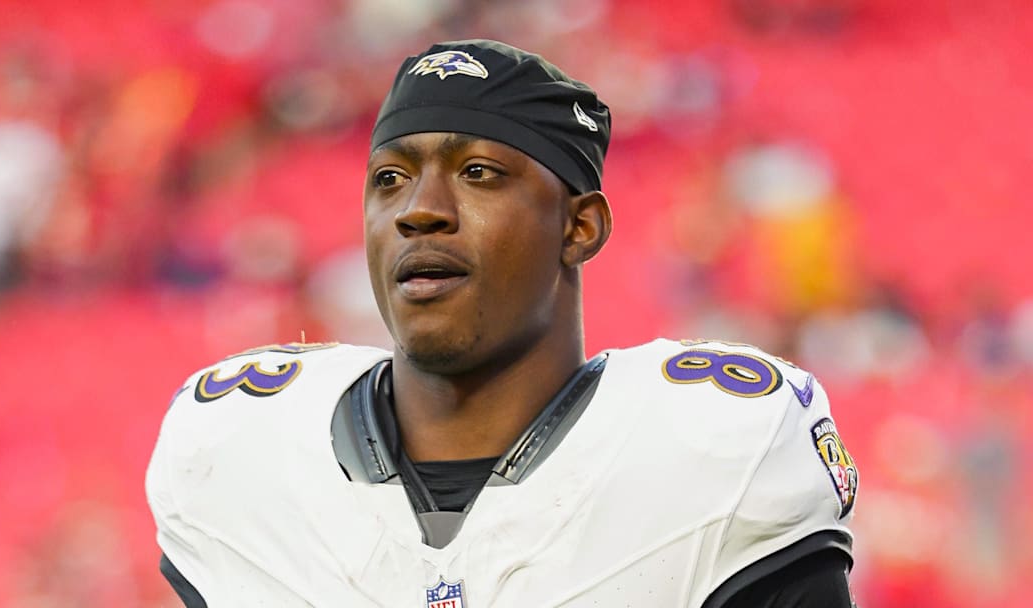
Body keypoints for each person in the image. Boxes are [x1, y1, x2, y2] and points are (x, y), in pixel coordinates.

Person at [146, 39, 858, 607]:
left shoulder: (718, 447)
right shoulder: (238, 449)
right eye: (389, 179)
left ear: (579, 227)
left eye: (479, 172)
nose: (418, 209)